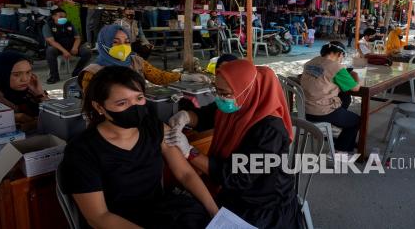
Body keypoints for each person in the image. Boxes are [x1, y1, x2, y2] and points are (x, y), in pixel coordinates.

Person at [61, 66, 218, 228]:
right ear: (99, 107)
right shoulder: (82, 151)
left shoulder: (154, 128)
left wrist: (215, 213)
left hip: (161, 214)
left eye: (139, 98)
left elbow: (185, 174)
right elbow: (99, 217)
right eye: (122, 103)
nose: (134, 107)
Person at [165, 60, 304, 228]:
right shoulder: (238, 105)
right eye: (217, 91)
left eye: (224, 93)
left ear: (247, 90)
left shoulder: (269, 130)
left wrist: (190, 152)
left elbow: (238, 177)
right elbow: (207, 115)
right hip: (232, 189)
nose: (219, 97)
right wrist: (187, 116)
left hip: (261, 202)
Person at [78, 25, 210, 91]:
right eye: (115, 42)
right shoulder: (92, 73)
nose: (123, 46)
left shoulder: (136, 61)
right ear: (104, 44)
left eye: (127, 41)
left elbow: (158, 76)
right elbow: (92, 105)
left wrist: (184, 77)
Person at [300, 42, 361, 153]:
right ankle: (340, 150)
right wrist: (355, 75)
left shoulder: (311, 62)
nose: (342, 59)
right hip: (320, 112)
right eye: (343, 56)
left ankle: (341, 133)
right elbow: (356, 88)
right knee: (357, 121)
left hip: (304, 109)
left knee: (345, 97)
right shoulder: (336, 67)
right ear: (339, 54)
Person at [0, 51, 49, 132]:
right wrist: (15, 117)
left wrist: (41, 94)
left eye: (28, 72)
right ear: (2, 74)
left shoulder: (31, 90)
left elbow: (56, 116)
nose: (25, 79)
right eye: (16, 74)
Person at [43, 8, 91, 84]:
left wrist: (75, 47)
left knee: (87, 51)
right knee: (50, 50)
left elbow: (77, 38)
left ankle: (76, 73)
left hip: (71, 46)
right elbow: (51, 41)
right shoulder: (48, 26)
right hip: (58, 48)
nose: (63, 18)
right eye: (60, 17)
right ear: (53, 17)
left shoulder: (69, 24)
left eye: (64, 17)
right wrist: (64, 51)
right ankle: (54, 76)